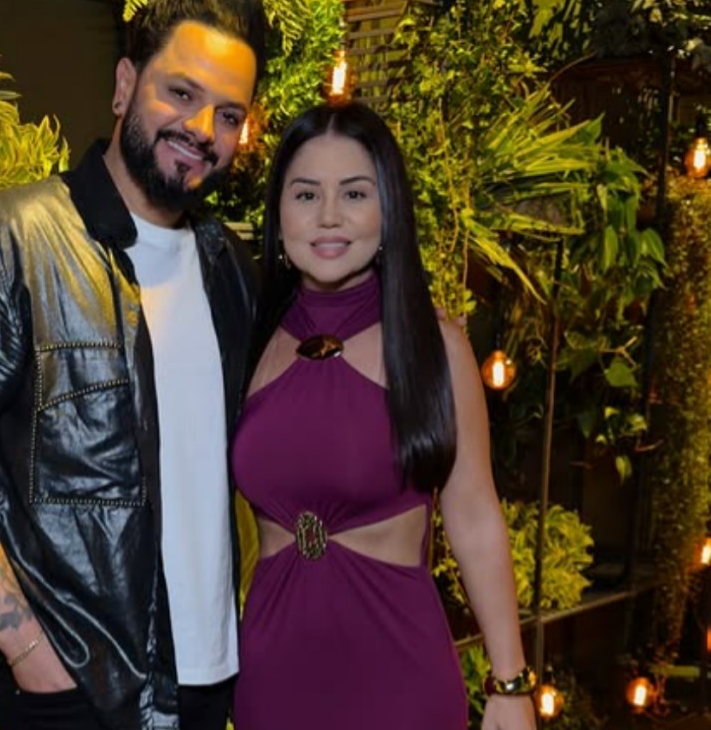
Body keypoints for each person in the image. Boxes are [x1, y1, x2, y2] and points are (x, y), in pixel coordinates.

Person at [0, 0, 267, 730]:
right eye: (181, 93)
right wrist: (26, 648)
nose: (202, 128)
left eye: (228, 114)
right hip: (75, 692)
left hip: (211, 682)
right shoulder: (11, 239)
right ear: (125, 85)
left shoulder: (229, 266)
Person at [230, 102, 537, 730]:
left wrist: (510, 686)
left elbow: (474, 515)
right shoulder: (249, 339)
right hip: (272, 678)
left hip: (400, 679)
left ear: (388, 208)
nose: (329, 216)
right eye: (306, 194)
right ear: (279, 213)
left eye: (355, 193)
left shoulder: (434, 346)